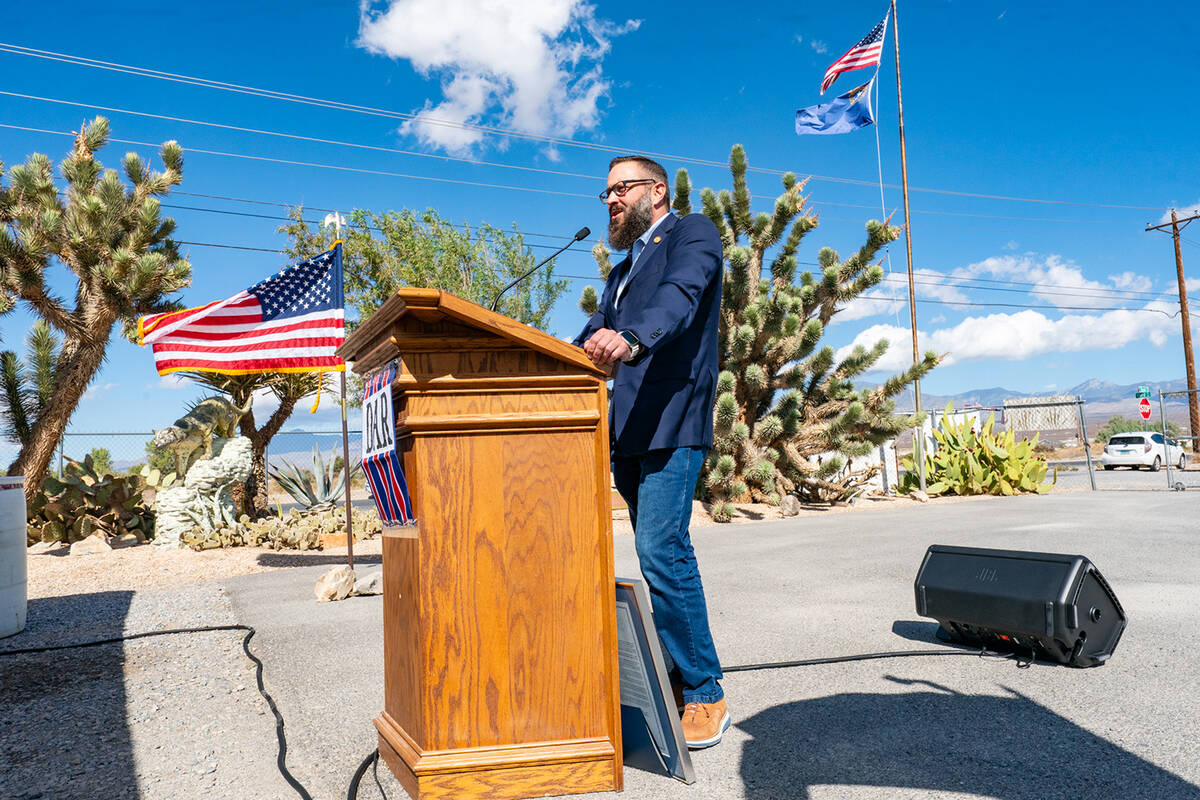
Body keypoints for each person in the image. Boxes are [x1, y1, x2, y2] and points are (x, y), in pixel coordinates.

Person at [574, 155, 728, 749]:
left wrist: (632, 337)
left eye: (622, 188)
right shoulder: (619, 274)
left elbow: (680, 296)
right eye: (605, 192)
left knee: (662, 549)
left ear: (657, 190)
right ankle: (673, 671)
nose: (610, 200)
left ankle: (705, 691)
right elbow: (588, 335)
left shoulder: (691, 234)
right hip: (627, 434)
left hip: (673, 422)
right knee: (655, 553)